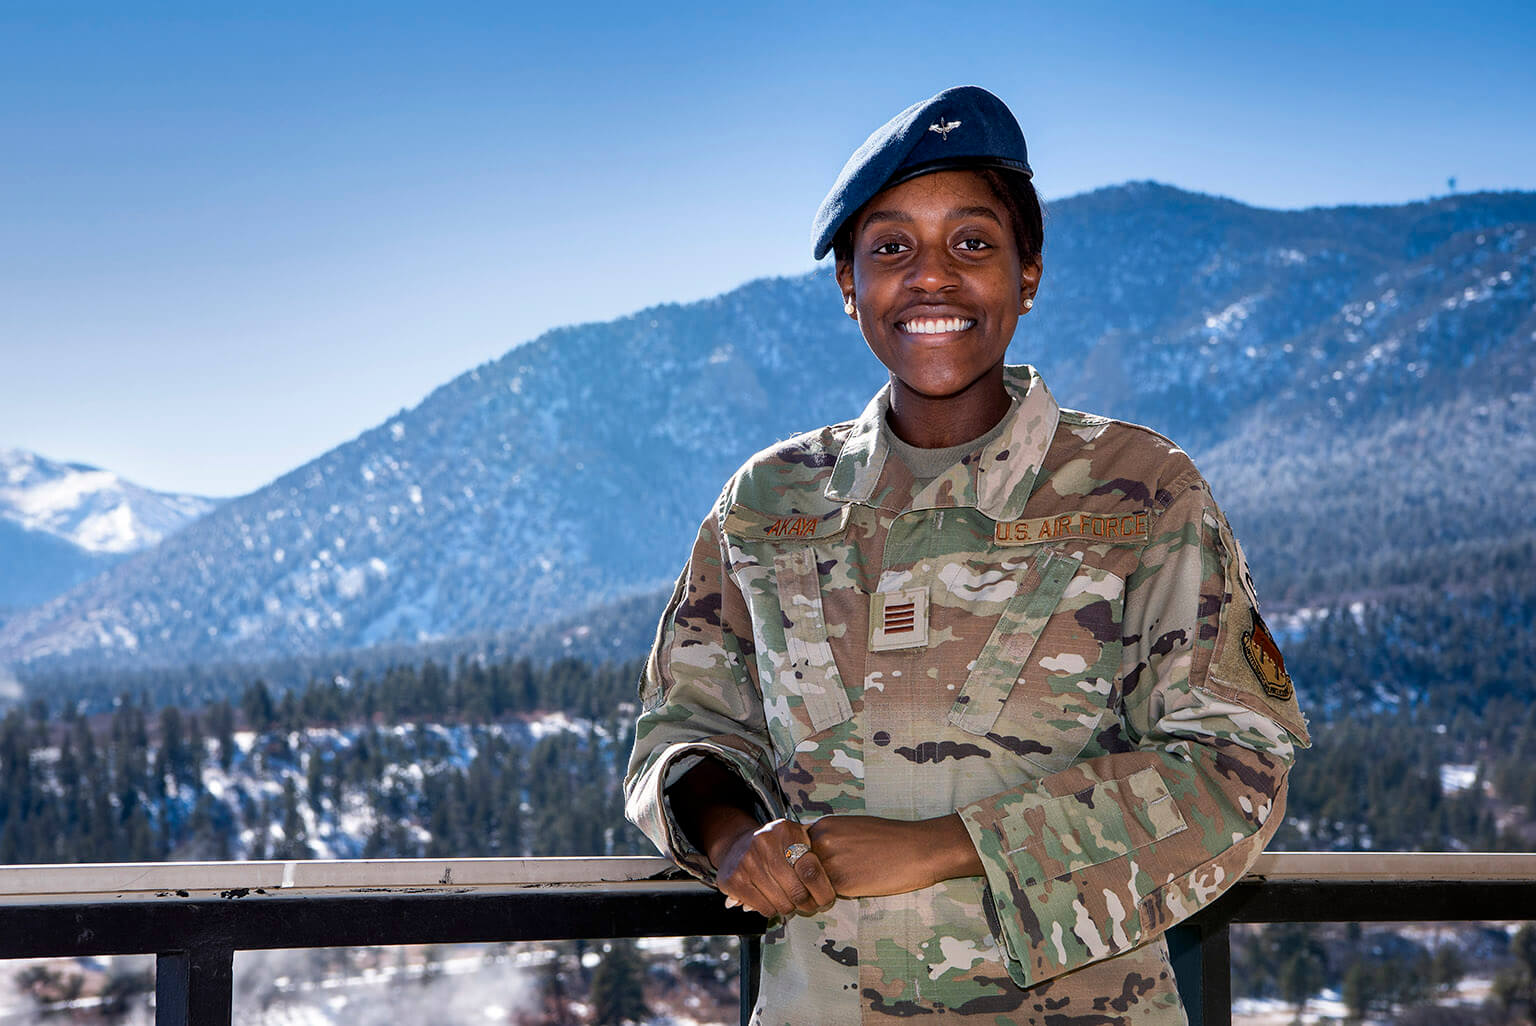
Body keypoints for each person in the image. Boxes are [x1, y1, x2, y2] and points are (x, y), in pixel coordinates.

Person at [624, 85, 1309, 1025]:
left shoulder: (1138, 490)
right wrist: (731, 831)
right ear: (848, 286)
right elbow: (683, 727)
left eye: (973, 244)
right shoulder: (771, 502)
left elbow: (1234, 770)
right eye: (892, 247)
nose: (932, 277)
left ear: (1028, 275)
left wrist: (952, 845)